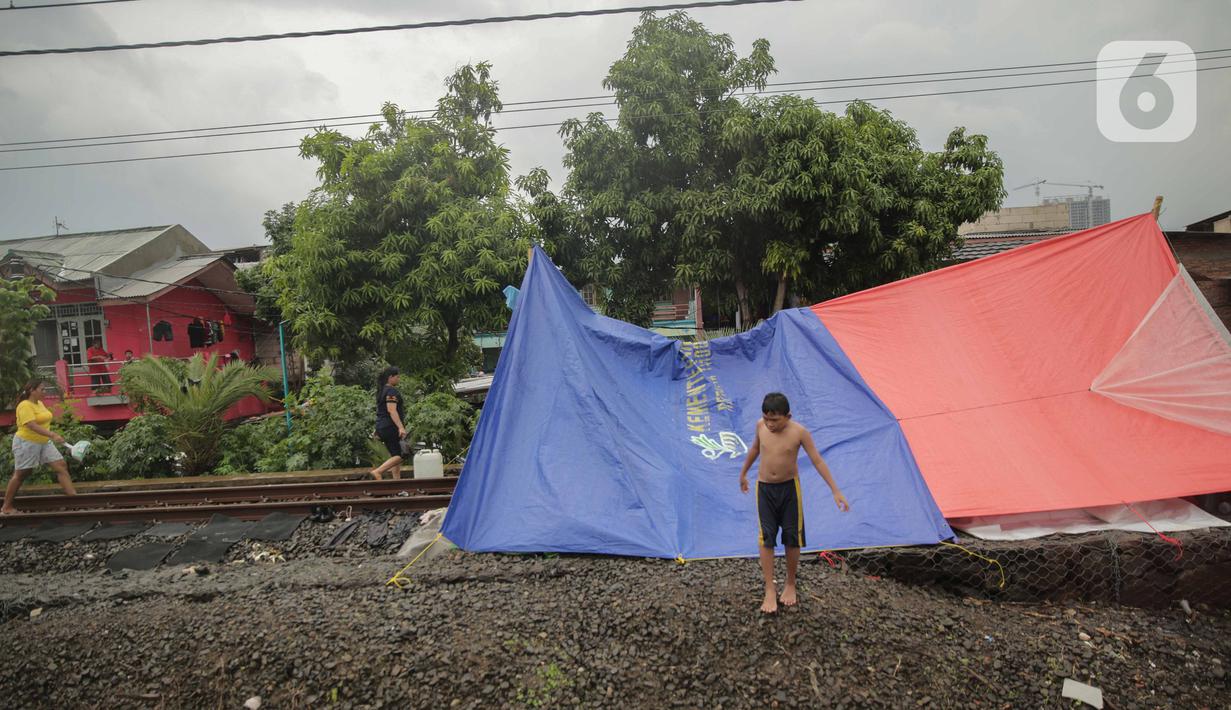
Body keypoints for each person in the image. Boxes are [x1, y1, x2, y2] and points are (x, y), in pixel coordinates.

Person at [738, 392, 850, 614]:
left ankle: (790, 583)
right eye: (767, 418)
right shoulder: (761, 426)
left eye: (775, 419)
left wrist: (835, 490)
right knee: (766, 536)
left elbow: (817, 460)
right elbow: (754, 449)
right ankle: (769, 588)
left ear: (787, 416)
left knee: (792, 536)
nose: (770, 424)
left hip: (789, 489)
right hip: (764, 489)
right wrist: (743, 474)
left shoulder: (799, 432)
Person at [3, 379, 77, 514]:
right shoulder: (25, 405)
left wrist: (50, 436)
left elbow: (43, 422)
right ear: (32, 390)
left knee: (60, 465)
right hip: (26, 442)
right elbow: (31, 424)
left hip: (44, 442)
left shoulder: (40, 404)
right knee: (22, 474)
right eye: (42, 389)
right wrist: (53, 435)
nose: (45, 391)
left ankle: (73, 498)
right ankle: (6, 507)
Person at [369, 366, 408, 480]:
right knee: (401, 455)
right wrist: (401, 427)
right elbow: (391, 410)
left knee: (394, 455)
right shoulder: (391, 391)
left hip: (382, 426)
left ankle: (397, 484)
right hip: (390, 426)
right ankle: (378, 471)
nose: (398, 379)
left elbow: (381, 411)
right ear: (390, 377)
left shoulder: (382, 391)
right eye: (397, 377)